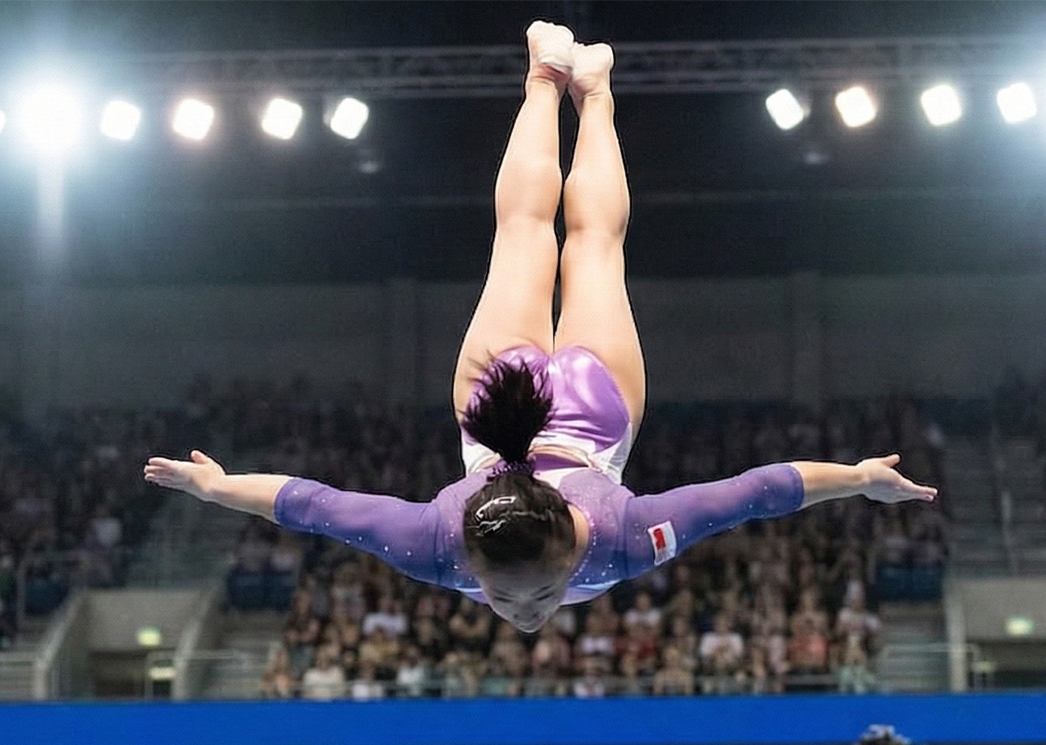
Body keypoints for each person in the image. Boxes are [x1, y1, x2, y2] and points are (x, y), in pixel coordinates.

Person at [147, 22, 936, 633]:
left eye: (522, 596)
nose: (527, 613)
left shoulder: (442, 544)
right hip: (562, 405)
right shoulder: (618, 535)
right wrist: (855, 477)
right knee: (582, 242)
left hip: (530, 402)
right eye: (529, 597)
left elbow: (314, 505)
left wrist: (221, 489)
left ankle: (557, 81)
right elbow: (758, 492)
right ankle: (581, 89)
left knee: (535, 236)